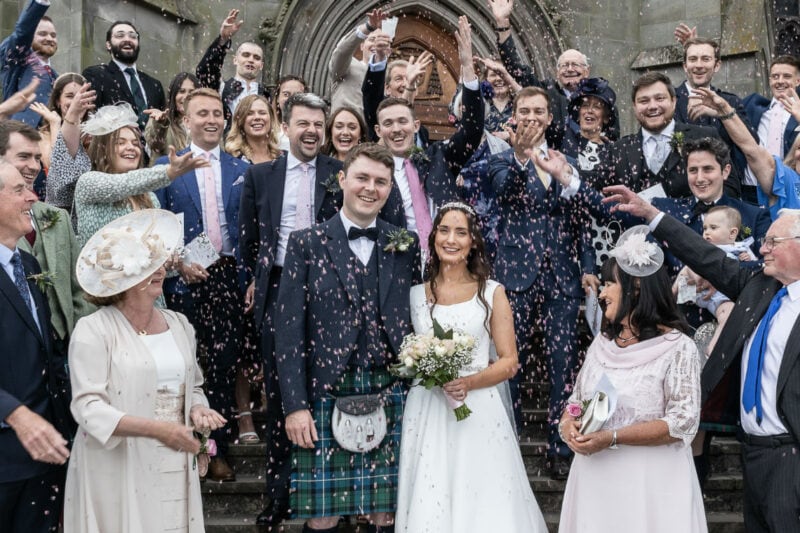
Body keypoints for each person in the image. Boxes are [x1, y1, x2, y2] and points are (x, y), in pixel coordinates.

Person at [606, 184, 800, 533]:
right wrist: (652, 216)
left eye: (773, 242)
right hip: (752, 453)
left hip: (792, 454)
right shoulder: (757, 285)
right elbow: (705, 256)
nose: (763, 248)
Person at [275, 142, 421, 533]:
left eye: (381, 181)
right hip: (326, 388)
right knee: (323, 514)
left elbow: (418, 316)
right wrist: (295, 406)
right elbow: (288, 333)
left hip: (389, 388)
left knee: (385, 511)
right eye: (362, 178)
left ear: (390, 188)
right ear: (342, 180)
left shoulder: (405, 244)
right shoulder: (305, 243)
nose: (370, 188)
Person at [64, 209, 226, 533]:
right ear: (122, 274)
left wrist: (198, 409)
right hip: (117, 462)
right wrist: (157, 430)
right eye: (148, 263)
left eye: (160, 261)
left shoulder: (179, 324)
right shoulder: (92, 330)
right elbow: (88, 407)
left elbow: (193, 386)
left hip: (175, 458)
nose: (160, 269)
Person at [395, 202, 547, 533]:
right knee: (431, 491)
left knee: (482, 493)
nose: (451, 239)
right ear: (433, 237)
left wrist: (468, 382)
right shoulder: (413, 295)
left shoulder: (491, 292)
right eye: (444, 231)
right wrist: (421, 363)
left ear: (473, 241)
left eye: (461, 232)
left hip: (478, 410)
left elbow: (509, 361)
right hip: (427, 408)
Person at [239, 91, 351, 526]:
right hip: (280, 288)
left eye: (318, 126)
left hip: (330, 295)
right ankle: (278, 496)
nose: (311, 131)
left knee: (328, 396)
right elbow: (249, 237)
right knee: (284, 398)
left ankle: (331, 498)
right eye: (303, 123)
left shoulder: (339, 173)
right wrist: (259, 279)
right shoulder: (261, 175)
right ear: (284, 127)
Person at [557, 225, 706, 533]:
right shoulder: (601, 344)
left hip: (650, 484)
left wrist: (613, 437)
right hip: (595, 482)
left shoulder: (678, 348)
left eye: (609, 283)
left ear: (635, 287)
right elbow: (575, 402)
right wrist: (568, 425)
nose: (601, 292)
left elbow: (683, 422)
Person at [488, 85, 596, 479]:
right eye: (524, 111)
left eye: (539, 111)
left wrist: (588, 263)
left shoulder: (567, 162)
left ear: (551, 118)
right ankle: (507, 445)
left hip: (563, 280)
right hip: (516, 276)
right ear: (513, 116)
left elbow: (582, 217)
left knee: (563, 364)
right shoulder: (501, 159)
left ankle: (559, 445)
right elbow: (503, 191)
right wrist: (519, 155)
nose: (532, 117)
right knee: (509, 364)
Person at [154, 87, 250, 482]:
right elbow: (155, 224)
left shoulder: (241, 169)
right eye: (202, 114)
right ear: (186, 120)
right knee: (181, 366)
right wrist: (178, 262)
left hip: (227, 278)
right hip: (182, 281)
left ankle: (219, 448)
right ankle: (185, 449)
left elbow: (251, 230)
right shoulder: (168, 165)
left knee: (223, 366)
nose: (211, 120)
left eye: (217, 113)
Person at [0, 161, 73, 533]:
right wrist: (15, 413)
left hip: (45, 454)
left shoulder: (27, 263)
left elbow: (47, 354)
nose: (32, 196)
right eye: (18, 190)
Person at [372, 16, 483, 255]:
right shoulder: (374, 171)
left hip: (445, 260)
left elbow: (472, 131)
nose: (397, 129)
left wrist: (467, 68)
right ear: (378, 131)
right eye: (388, 123)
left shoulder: (438, 157)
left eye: (403, 121)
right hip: (397, 262)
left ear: (416, 125)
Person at [1, 120, 94, 364]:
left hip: (65, 350)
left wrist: (80, 342)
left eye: (37, 158)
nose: (33, 166)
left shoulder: (57, 217)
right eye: (23, 157)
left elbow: (79, 287)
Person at [72, 102, 208, 246]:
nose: (131, 148)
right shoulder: (87, 182)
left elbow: (160, 248)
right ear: (103, 149)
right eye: (120, 142)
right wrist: (168, 172)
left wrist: (178, 264)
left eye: (135, 144)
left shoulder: (150, 197)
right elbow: (123, 183)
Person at [488, 0, 620, 149]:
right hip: (551, 163)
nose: (569, 69)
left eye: (575, 64)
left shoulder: (600, 97)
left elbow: (613, 138)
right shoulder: (546, 91)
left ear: (587, 71)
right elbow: (516, 68)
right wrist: (503, 24)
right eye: (564, 65)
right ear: (557, 72)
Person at [593, 72, 739, 199]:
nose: (652, 106)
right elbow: (598, 190)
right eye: (644, 101)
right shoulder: (619, 149)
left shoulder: (704, 135)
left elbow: (731, 188)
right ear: (634, 107)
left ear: (673, 101)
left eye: (660, 98)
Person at [691, 85, 800, 219]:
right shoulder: (788, 180)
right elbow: (750, 149)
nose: (799, 154)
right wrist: (725, 110)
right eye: (798, 148)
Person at [672, 34, 756, 192]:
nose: (698, 65)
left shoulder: (730, 102)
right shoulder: (669, 101)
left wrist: (723, 113)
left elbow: (751, 144)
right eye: (693, 59)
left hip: (725, 190)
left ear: (717, 65)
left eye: (705, 59)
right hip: (680, 192)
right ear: (684, 66)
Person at [82, 21, 166, 130]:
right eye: (120, 35)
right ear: (108, 45)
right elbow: (90, 119)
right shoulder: (96, 74)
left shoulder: (154, 85)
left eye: (133, 36)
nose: (127, 39)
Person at [741, 55, 800, 203]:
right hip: (750, 193)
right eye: (775, 76)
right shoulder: (752, 107)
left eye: (786, 76)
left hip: (790, 191)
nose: (780, 81)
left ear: (797, 81)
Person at [195, 10, 269, 126]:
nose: (250, 59)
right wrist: (223, 40)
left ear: (261, 65)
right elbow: (204, 70)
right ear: (235, 60)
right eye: (245, 55)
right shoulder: (222, 88)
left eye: (256, 57)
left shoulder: (267, 95)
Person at [0, 0, 58, 126]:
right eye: (42, 34)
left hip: (47, 140)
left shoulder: (56, 76)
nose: (49, 39)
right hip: (18, 135)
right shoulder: (18, 60)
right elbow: (21, 35)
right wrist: (40, 4)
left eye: (53, 35)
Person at [328, 8, 390, 114]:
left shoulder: (392, 75)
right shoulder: (348, 66)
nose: (376, 44)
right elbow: (342, 52)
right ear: (362, 46)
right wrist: (368, 27)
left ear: (389, 50)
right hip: (345, 127)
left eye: (382, 41)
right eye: (372, 40)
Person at [29, 72, 86, 172]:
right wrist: (55, 124)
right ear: (58, 101)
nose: (76, 102)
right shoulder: (44, 135)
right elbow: (55, 167)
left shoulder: (97, 131)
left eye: (80, 96)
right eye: (70, 96)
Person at [144, 72, 200, 159]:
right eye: (182, 91)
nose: (186, 96)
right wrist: (160, 125)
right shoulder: (161, 121)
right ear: (173, 95)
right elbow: (155, 146)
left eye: (192, 92)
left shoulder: (204, 124)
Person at [225, 94, 281, 164]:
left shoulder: (281, 157)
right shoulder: (232, 159)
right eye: (249, 113)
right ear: (240, 120)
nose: (257, 117)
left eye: (262, 113)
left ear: (271, 118)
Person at [273, 75, 309, 150]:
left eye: (298, 95)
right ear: (277, 99)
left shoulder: (313, 128)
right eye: (286, 94)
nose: (291, 99)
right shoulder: (267, 128)